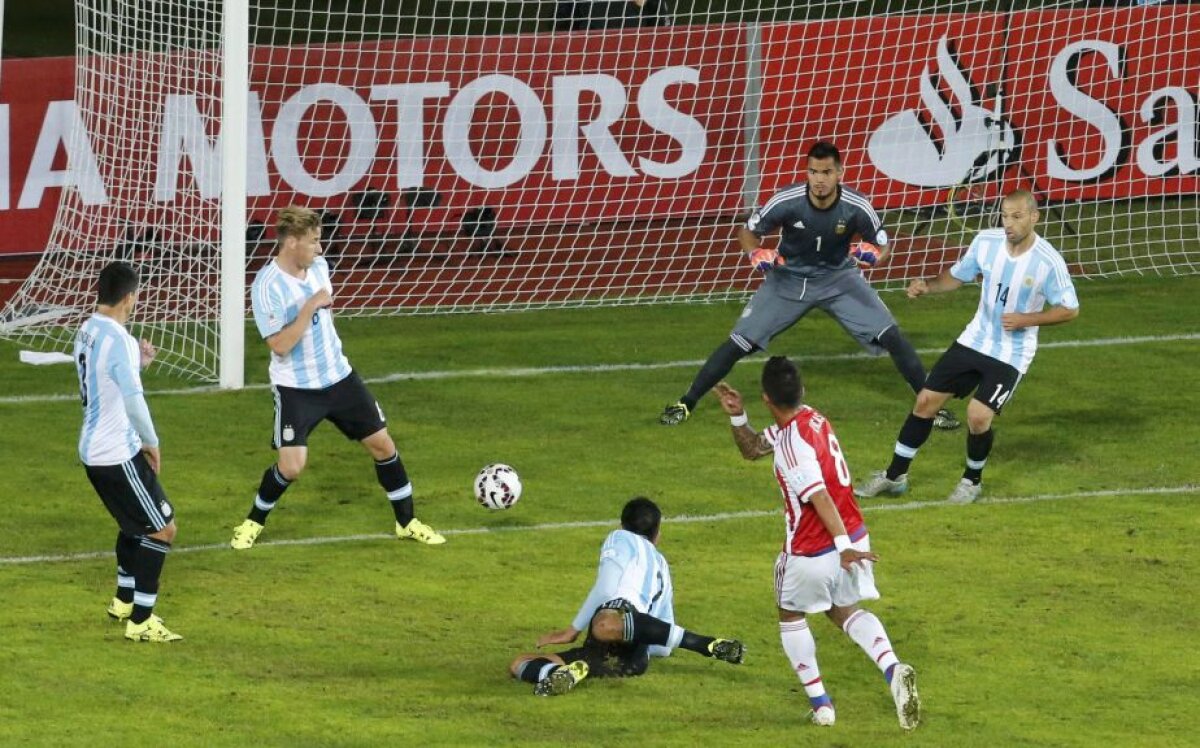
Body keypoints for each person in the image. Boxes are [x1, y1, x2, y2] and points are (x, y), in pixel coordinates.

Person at [659, 141, 958, 431]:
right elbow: (747, 232)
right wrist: (755, 252)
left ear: (840, 173)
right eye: (813, 172)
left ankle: (933, 407)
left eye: (826, 172)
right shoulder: (787, 200)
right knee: (739, 342)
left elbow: (882, 244)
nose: (819, 180)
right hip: (789, 279)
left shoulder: (856, 206)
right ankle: (686, 402)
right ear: (807, 172)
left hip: (839, 280)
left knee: (892, 336)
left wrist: (875, 256)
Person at [713, 357, 920, 730]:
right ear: (802, 392)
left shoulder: (792, 444)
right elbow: (754, 449)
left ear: (766, 398)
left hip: (816, 549)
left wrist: (842, 548)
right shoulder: (812, 418)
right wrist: (737, 417)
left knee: (789, 612)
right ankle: (893, 670)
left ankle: (821, 706)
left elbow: (819, 496)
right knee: (843, 609)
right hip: (855, 532)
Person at [230, 206, 444, 549]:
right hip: (297, 388)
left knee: (382, 444)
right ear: (291, 242)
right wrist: (309, 306)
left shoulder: (319, 268)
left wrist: (317, 313)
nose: (320, 248)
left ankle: (407, 522)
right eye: (313, 241)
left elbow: (323, 322)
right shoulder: (266, 287)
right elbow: (280, 345)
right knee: (292, 467)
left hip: (339, 376)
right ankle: (252, 522)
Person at [855, 190, 1080, 504]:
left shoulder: (1047, 261)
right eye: (1005, 215)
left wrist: (1028, 319)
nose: (1009, 224)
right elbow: (957, 276)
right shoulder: (986, 243)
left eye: (1017, 217)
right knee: (925, 402)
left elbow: (1070, 308)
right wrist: (928, 286)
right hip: (974, 339)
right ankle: (894, 477)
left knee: (977, 416)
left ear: (1034, 217)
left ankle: (971, 482)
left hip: (1010, 354)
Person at [509, 497, 745, 696]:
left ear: (622, 525)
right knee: (519, 663)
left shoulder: (619, 538)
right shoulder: (662, 567)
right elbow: (663, 648)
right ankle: (561, 674)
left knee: (605, 624)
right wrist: (636, 640)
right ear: (657, 535)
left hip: (609, 627)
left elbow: (605, 587)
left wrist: (573, 629)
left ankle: (702, 643)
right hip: (633, 662)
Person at [75, 261, 182, 642]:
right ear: (130, 297)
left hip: (94, 449)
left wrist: (140, 364)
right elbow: (133, 399)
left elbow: (108, 381)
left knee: (132, 524)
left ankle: (123, 600)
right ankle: (142, 620)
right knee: (163, 529)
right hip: (116, 452)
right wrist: (151, 441)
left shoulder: (87, 329)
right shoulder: (120, 337)